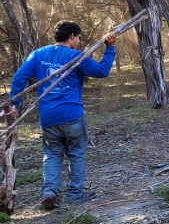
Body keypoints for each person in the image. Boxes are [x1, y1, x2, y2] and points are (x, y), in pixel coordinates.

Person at [10, 20, 117, 209]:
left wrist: (14, 104)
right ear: (72, 37)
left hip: (48, 117)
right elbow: (101, 71)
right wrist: (110, 48)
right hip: (72, 115)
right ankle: (75, 193)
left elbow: (19, 78)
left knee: (51, 154)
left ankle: (49, 192)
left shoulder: (39, 54)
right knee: (76, 153)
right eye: (79, 38)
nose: (79, 41)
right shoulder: (76, 57)